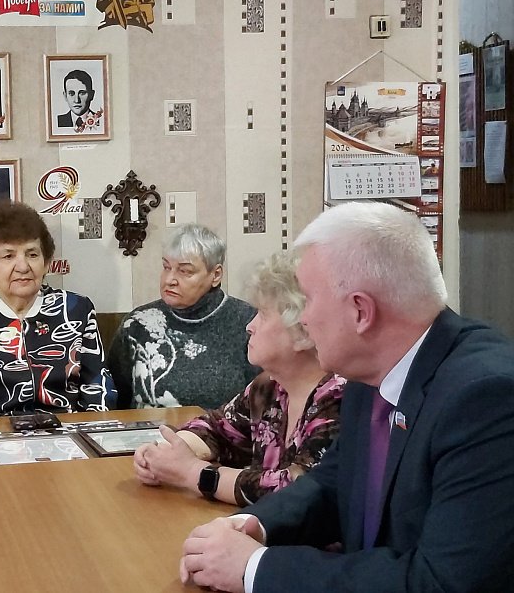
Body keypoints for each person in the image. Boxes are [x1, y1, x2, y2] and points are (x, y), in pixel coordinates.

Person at [179, 201, 514, 592]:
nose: (303, 318)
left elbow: (440, 583)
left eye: (308, 299)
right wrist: (257, 524)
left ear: (360, 312)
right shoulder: (371, 371)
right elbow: (334, 483)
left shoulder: (485, 399)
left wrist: (254, 567)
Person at [133, 250, 344, 505]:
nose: (249, 326)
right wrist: (168, 453)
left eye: (262, 314)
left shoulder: (340, 397)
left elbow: (296, 490)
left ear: (304, 331)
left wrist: (193, 473)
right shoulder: (270, 386)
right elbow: (217, 428)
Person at [0, 201, 115, 418]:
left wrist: (86, 430)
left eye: (32, 254)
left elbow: (98, 388)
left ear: (46, 262)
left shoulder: (76, 310)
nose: (23, 267)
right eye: (8, 256)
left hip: (68, 431)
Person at [108, 223, 259, 409]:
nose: (169, 280)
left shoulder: (248, 322)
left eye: (185, 271)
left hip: (222, 427)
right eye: (166, 267)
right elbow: (115, 398)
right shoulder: (138, 324)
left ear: (216, 275)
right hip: (145, 427)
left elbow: (265, 399)